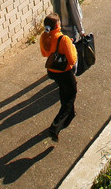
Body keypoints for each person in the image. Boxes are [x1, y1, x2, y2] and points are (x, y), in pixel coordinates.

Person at [40, 13, 77, 141]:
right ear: (57, 25)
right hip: (64, 72)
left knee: (63, 91)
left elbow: (45, 53)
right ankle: (56, 125)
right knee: (71, 95)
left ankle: (70, 115)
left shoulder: (45, 37)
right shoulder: (64, 39)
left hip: (52, 71)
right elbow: (72, 60)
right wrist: (71, 46)